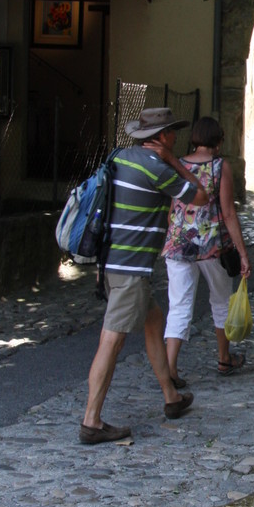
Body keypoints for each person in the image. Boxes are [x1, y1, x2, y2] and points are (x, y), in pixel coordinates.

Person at [80, 107, 210, 446]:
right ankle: (91, 421)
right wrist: (174, 161)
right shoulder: (156, 168)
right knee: (113, 339)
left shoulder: (120, 157)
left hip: (111, 262)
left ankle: (171, 397)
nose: (176, 138)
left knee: (153, 322)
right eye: (173, 133)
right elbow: (201, 195)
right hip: (132, 268)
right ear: (163, 136)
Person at [162, 116, 252, 382]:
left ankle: (169, 370)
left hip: (178, 245)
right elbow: (228, 213)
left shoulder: (179, 164)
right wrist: (243, 253)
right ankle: (224, 359)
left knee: (178, 307)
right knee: (221, 302)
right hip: (212, 247)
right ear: (219, 140)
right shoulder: (219, 167)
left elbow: (172, 210)